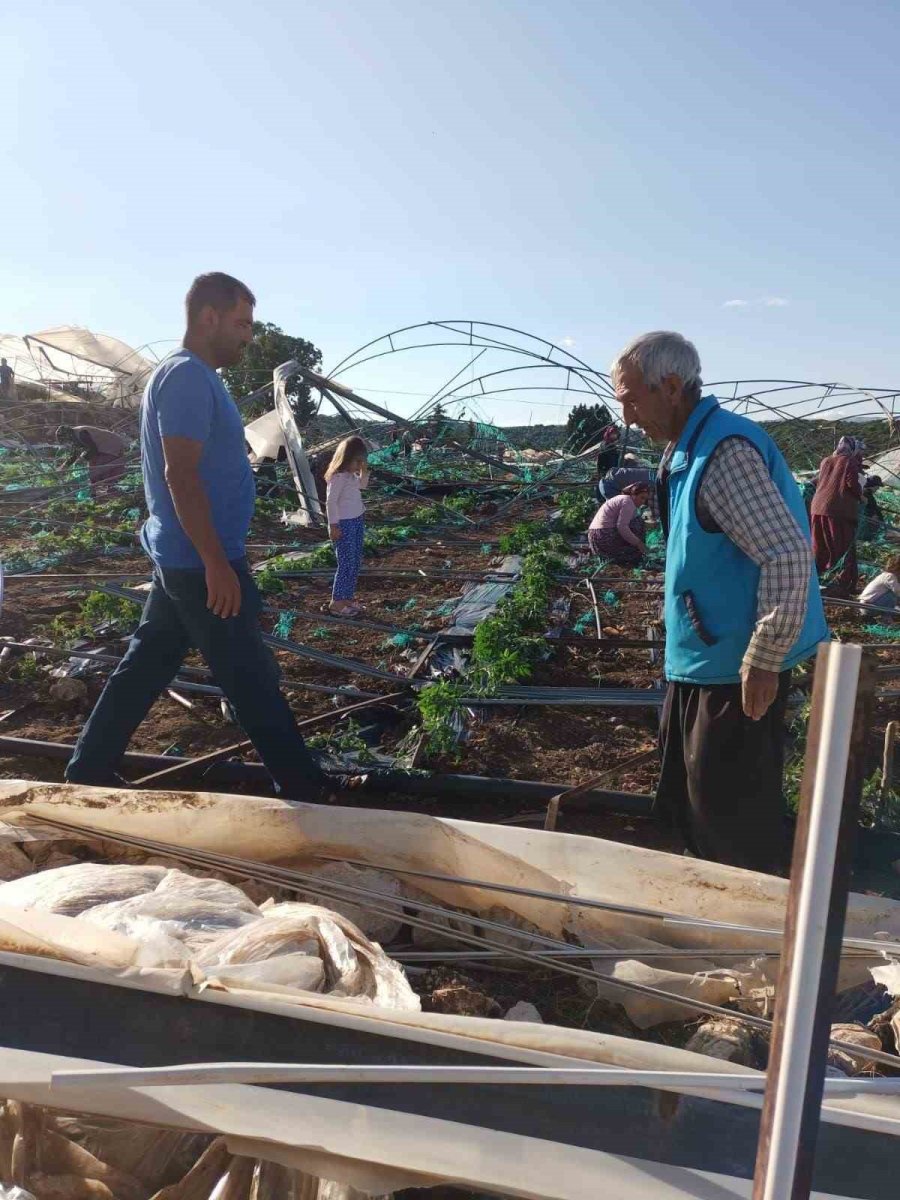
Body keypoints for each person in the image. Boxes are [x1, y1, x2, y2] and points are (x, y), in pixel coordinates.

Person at [65, 272, 351, 802]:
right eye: (241, 324)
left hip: (185, 554)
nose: (248, 337)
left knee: (146, 664)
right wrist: (216, 562)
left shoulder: (190, 375)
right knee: (249, 674)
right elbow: (180, 473)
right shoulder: (187, 378)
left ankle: (89, 770)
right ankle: (305, 786)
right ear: (209, 317)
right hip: (200, 560)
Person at [612, 331, 828, 875]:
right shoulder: (687, 448)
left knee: (730, 818)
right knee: (696, 800)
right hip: (704, 656)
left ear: (670, 386)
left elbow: (786, 553)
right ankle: (711, 894)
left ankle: (745, 915)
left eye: (631, 399)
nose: (628, 417)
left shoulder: (724, 453)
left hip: (735, 670)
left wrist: (765, 655)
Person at [810, 436, 864, 596]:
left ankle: (816, 580)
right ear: (852, 449)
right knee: (843, 547)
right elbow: (852, 483)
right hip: (838, 510)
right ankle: (844, 585)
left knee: (820, 546)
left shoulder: (826, 461)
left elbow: (818, 481)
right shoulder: (848, 461)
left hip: (817, 507)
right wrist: (861, 496)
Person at [325, 435, 369, 615]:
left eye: (362, 461)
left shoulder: (351, 476)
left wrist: (363, 471)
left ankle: (347, 598)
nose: (359, 465)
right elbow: (330, 502)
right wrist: (333, 525)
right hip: (344, 524)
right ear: (346, 458)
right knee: (345, 563)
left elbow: (363, 486)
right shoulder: (338, 477)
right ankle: (336, 601)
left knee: (355, 562)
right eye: (357, 461)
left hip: (357, 520)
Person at [57, 424, 127, 498]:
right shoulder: (74, 437)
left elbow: (93, 449)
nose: (68, 442)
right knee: (92, 468)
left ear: (68, 435)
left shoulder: (82, 434)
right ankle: (94, 492)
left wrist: (82, 459)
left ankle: (110, 490)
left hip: (111, 444)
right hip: (101, 448)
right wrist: (65, 466)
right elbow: (75, 453)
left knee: (100, 468)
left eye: (66, 440)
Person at [588, 482, 650, 565]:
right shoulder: (628, 502)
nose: (643, 501)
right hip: (604, 535)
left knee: (636, 521)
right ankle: (633, 555)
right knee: (638, 522)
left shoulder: (622, 498)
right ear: (634, 495)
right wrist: (639, 543)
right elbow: (622, 527)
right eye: (641, 497)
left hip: (595, 536)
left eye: (645, 499)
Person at [859, 475, 885, 542]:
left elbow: (873, 507)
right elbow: (866, 508)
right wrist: (872, 515)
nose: (878, 488)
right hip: (867, 522)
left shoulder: (868, 494)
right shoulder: (865, 494)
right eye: (878, 486)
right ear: (874, 485)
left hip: (873, 521)